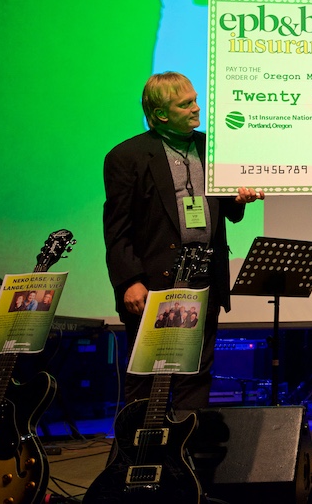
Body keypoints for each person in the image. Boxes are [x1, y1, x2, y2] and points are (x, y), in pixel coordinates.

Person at [104, 71, 264, 411]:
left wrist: (240, 200)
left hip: (204, 277)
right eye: (186, 103)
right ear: (162, 114)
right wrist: (128, 281)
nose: (196, 108)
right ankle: (139, 456)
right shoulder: (127, 156)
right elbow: (117, 227)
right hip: (152, 282)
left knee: (195, 373)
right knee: (147, 376)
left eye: (195, 99)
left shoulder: (212, 148)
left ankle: (184, 454)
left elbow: (228, 213)